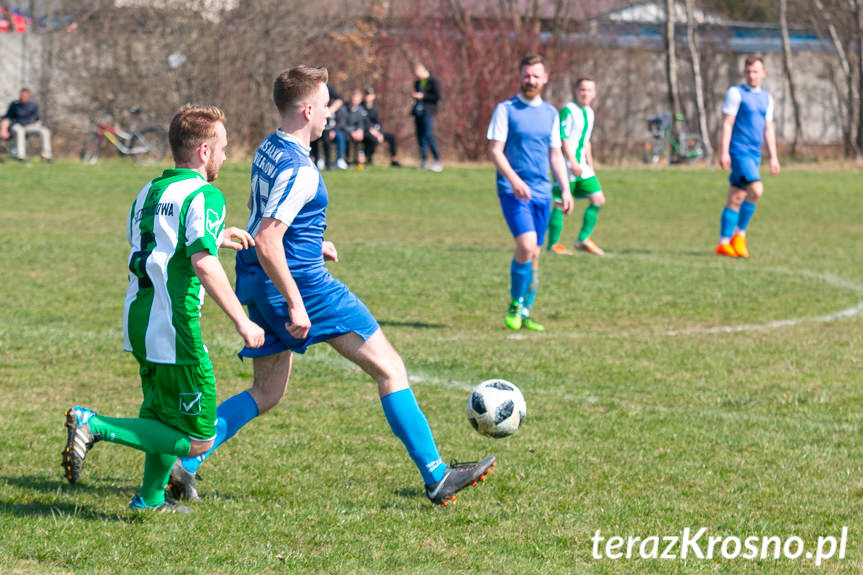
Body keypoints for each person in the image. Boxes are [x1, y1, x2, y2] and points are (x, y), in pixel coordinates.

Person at [168, 66, 495, 506]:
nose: (329, 114)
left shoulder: (268, 147)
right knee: (391, 369)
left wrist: (310, 243)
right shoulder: (300, 168)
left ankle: (184, 464)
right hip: (303, 287)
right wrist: (297, 303)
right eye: (324, 106)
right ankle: (436, 475)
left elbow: (259, 211)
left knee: (266, 392)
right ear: (307, 110)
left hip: (254, 279)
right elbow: (267, 237)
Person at [61, 105, 265, 512]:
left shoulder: (148, 193)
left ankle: (150, 498)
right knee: (199, 437)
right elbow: (202, 264)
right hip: (174, 324)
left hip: (138, 317)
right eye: (223, 148)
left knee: (160, 412)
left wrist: (214, 235)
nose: (226, 157)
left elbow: (158, 241)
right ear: (204, 151)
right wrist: (243, 321)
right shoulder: (206, 194)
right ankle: (94, 424)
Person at [488, 54, 573, 332]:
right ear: (519, 76)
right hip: (514, 191)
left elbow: (555, 154)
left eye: (536, 76)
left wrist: (565, 188)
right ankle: (515, 304)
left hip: (542, 192)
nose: (531, 81)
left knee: (535, 253)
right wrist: (513, 180)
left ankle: (525, 311)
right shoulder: (506, 109)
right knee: (525, 245)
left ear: (545, 78)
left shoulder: (551, 113)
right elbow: (495, 151)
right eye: (526, 75)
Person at [715, 54, 780, 258]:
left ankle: (724, 242)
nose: (752, 75)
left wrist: (774, 157)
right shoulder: (735, 93)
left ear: (763, 73)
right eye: (749, 71)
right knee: (757, 190)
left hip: (754, 154)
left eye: (756, 71)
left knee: (736, 196)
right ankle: (740, 234)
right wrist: (724, 151)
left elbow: (768, 129)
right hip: (739, 151)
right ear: (744, 73)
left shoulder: (767, 98)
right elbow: (728, 123)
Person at [546, 77, 606, 256]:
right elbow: (562, 137)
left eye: (589, 90)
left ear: (594, 94)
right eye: (582, 89)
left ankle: (583, 239)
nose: (585, 93)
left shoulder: (590, 112)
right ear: (575, 91)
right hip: (566, 164)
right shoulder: (568, 110)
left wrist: (591, 165)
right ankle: (553, 245)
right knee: (559, 203)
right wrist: (571, 160)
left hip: (583, 167)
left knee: (598, 199)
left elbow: (587, 142)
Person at [0, 87, 52, 162]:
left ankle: (46, 156)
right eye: (22, 96)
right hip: (16, 125)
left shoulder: (33, 105)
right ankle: (21, 156)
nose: (23, 98)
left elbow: (37, 119)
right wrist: (4, 130)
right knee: (20, 131)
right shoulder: (14, 105)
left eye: (25, 96)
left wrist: (37, 126)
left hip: (28, 126)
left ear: (29, 97)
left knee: (45, 131)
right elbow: (6, 118)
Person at [411, 63, 442, 171]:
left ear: (423, 70)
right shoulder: (417, 82)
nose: (417, 75)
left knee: (428, 135)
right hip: (418, 112)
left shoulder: (433, 81)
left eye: (418, 73)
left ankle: (437, 160)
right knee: (420, 136)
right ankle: (424, 160)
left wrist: (423, 96)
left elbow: (437, 96)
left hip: (428, 112)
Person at [310, 87, 346, 170]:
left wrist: (330, 110)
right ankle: (315, 164)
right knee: (314, 142)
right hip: (313, 118)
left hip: (325, 121)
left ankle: (328, 164)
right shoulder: (310, 87)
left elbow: (339, 100)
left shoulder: (326, 88)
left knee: (326, 142)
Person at [362, 88, 400, 167]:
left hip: (376, 131)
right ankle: (369, 158)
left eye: (370, 95)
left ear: (373, 96)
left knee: (392, 137)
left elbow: (377, 123)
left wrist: (379, 133)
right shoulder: (361, 107)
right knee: (373, 139)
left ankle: (394, 159)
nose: (368, 97)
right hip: (365, 132)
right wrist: (376, 134)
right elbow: (365, 124)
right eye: (367, 95)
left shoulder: (374, 109)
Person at [343, 89, 374, 167]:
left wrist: (360, 130)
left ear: (360, 100)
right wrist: (352, 132)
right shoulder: (344, 108)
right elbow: (343, 124)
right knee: (346, 138)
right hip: (346, 132)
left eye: (356, 99)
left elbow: (362, 123)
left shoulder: (361, 110)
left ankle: (363, 159)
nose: (354, 101)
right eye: (353, 99)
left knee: (369, 139)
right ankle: (347, 159)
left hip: (357, 132)